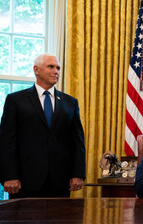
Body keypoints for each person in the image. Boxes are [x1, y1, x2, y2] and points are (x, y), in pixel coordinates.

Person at [0, 54, 86, 198]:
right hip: (24, 180)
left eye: (58, 68)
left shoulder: (70, 102)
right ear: (36, 70)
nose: (56, 71)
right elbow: (6, 141)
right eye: (51, 67)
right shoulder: (16, 100)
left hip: (60, 180)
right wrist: (9, 175)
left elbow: (77, 141)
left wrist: (78, 174)